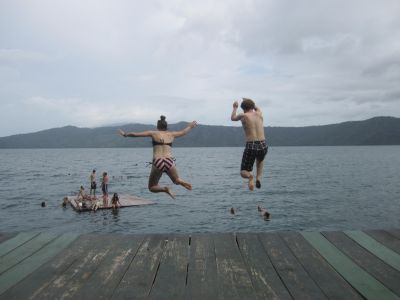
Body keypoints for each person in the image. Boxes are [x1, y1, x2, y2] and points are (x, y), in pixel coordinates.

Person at [118, 116, 197, 199]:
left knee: (152, 187)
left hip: (158, 161)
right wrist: (190, 126)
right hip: (169, 161)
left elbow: (135, 134)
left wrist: (125, 134)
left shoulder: (153, 133)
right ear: (166, 127)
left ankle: (165, 189)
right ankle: (181, 181)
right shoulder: (172, 134)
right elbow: (183, 132)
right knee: (176, 180)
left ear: (157, 126)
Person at [231, 98, 268, 191]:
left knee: (243, 171)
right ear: (253, 106)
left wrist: (235, 107)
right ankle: (258, 178)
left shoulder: (243, 115)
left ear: (243, 108)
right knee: (260, 161)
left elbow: (233, 118)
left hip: (251, 145)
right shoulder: (259, 113)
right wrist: (250, 102)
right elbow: (256, 108)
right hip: (263, 145)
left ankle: (250, 177)